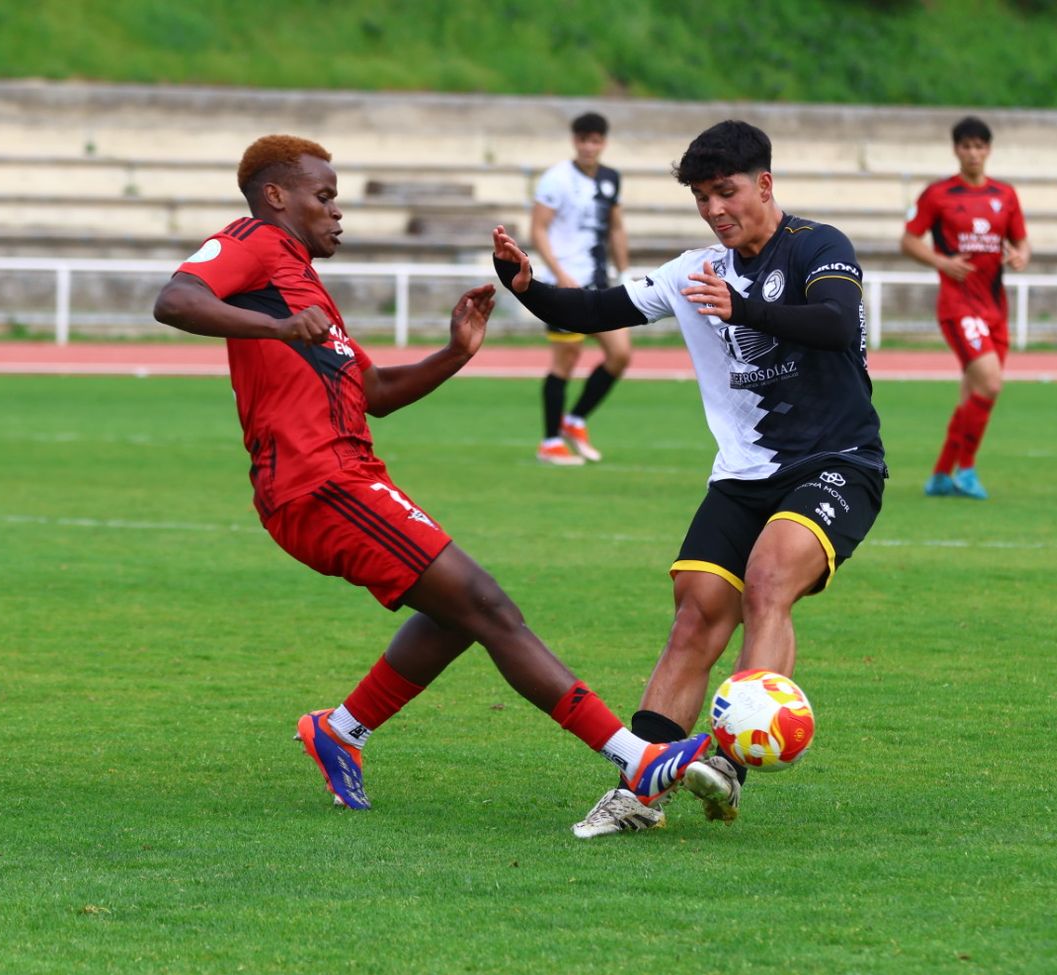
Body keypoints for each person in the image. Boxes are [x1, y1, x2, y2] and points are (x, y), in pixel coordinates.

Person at [152, 134, 708, 814]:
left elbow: (375, 390)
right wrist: (274, 330)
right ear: (276, 196)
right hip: (318, 483)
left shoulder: (300, 281)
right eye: (324, 197)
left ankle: (340, 729)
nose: (337, 212)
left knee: (456, 614)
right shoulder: (253, 242)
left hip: (348, 474)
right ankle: (637, 757)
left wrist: (455, 351)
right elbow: (175, 299)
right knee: (488, 603)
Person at [490, 119, 887, 838]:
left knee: (768, 577)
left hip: (837, 461)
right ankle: (640, 788)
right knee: (696, 612)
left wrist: (745, 309)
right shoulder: (693, 270)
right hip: (743, 475)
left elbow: (835, 321)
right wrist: (528, 287)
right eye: (702, 197)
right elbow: (598, 308)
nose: (714, 209)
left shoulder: (819, 247)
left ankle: (731, 762)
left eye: (725, 191)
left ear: (764, 184)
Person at [900, 115, 1030, 500]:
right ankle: (968, 469)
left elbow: (1022, 242)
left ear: (988, 150)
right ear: (956, 150)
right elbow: (908, 240)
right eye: (966, 146)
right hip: (959, 306)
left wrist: (1021, 256)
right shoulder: (938, 194)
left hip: (995, 308)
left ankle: (941, 476)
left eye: (979, 146)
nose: (973, 153)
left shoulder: (1005, 195)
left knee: (972, 395)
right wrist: (942, 262)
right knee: (990, 384)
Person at [528, 112, 632, 465]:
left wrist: (624, 267)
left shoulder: (610, 178)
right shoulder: (556, 179)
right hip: (566, 284)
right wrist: (557, 273)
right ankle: (550, 440)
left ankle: (575, 420)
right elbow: (538, 228)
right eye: (584, 139)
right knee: (565, 360)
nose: (590, 146)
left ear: (603, 143)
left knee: (620, 354)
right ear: (575, 141)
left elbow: (615, 225)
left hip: (599, 283)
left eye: (596, 140)